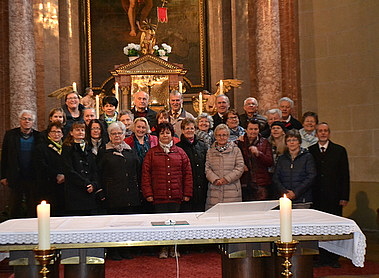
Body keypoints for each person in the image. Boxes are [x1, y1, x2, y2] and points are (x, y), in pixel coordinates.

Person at [141, 123, 193, 259]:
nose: (165, 135)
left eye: (168, 133)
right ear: (158, 136)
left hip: (176, 195)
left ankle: (174, 247)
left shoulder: (180, 152)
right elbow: (145, 175)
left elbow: (187, 174)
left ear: (172, 135)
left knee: (176, 224)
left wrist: (187, 193)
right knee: (161, 225)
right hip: (159, 196)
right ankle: (163, 248)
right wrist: (148, 194)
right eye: (162, 133)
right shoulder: (151, 153)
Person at [309, 122, 350, 268]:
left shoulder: (339, 150)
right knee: (319, 228)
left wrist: (344, 196)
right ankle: (320, 257)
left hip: (334, 197)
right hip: (317, 197)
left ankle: (334, 258)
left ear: (329, 133)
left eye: (325, 131)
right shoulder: (311, 150)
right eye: (320, 131)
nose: (323, 133)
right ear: (316, 134)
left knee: (333, 228)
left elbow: (345, 175)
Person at [98, 121, 141, 260]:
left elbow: (137, 170)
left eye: (119, 133)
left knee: (127, 224)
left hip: (130, 193)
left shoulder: (130, 150)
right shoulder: (104, 151)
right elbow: (98, 173)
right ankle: (114, 250)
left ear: (124, 134)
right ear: (109, 135)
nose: (117, 136)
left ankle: (126, 248)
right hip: (113, 194)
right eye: (113, 133)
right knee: (114, 224)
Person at [1, 110, 40, 218]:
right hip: (15, 175)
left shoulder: (38, 136)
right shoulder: (10, 135)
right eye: (24, 118)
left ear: (33, 122)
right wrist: (3, 176)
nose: (26, 121)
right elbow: (4, 156)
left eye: (29, 119)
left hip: (32, 176)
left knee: (32, 206)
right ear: (20, 120)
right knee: (14, 206)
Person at [62, 122, 102, 216]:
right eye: (77, 130)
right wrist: (86, 183)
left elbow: (94, 169)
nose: (80, 132)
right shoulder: (67, 148)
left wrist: (93, 184)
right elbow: (69, 170)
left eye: (82, 130)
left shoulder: (88, 148)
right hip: (75, 191)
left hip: (89, 191)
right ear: (71, 132)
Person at [272, 129, 316, 207]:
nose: (291, 142)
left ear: (299, 142)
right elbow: (276, 178)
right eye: (289, 140)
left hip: (303, 200)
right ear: (286, 143)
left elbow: (311, 177)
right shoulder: (282, 159)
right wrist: (285, 192)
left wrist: (295, 192)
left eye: (294, 140)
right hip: (285, 200)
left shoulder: (307, 157)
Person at [205, 124, 244, 209]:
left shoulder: (236, 150)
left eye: (224, 135)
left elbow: (240, 167)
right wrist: (215, 179)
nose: (222, 137)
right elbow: (207, 168)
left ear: (228, 136)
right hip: (214, 190)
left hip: (232, 190)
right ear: (215, 136)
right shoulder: (210, 151)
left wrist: (226, 179)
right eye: (219, 135)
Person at [176, 118, 208, 212]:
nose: (189, 130)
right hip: (186, 189)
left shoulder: (202, 145)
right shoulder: (178, 147)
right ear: (182, 130)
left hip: (202, 187)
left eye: (192, 128)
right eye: (187, 128)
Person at [237, 120, 273, 201]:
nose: (253, 131)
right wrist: (241, 164)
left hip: (260, 183)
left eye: (255, 129)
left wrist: (258, 154)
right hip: (244, 183)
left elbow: (270, 162)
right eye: (251, 129)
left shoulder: (265, 142)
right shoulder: (239, 142)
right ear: (246, 130)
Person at [34, 122, 65, 216]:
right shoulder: (41, 148)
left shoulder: (66, 147)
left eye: (59, 132)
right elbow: (41, 166)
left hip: (64, 186)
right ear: (48, 134)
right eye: (53, 132)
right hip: (48, 185)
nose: (56, 134)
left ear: (63, 134)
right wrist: (56, 175)